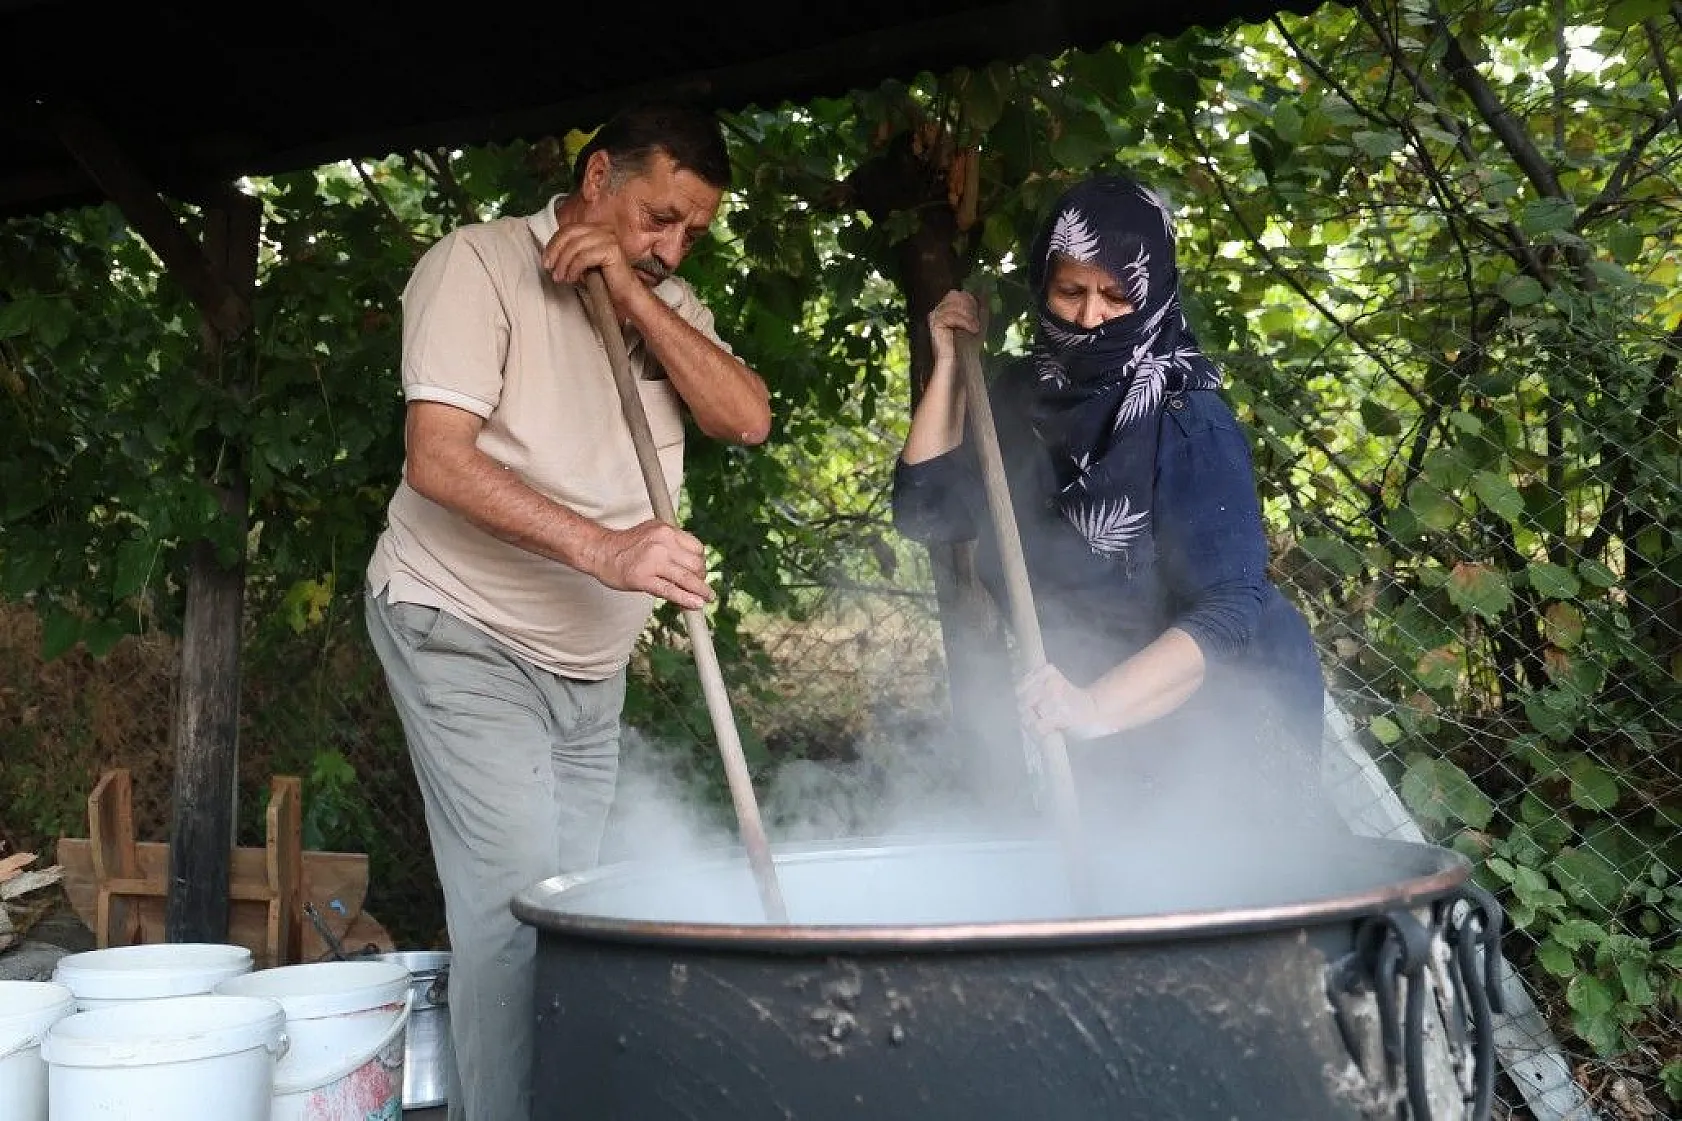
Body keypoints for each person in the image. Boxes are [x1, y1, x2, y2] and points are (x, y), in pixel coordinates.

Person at [362, 103, 770, 1121]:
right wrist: (608, 550)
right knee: (516, 915)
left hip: (588, 667)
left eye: (692, 234)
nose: (672, 247)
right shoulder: (477, 265)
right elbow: (436, 460)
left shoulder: (662, 297)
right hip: (461, 626)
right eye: (658, 217)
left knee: (573, 914)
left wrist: (630, 288)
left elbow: (746, 417)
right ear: (597, 179)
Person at [892, 173, 1331, 845]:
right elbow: (926, 510)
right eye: (1070, 291)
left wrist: (1094, 706)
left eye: (1117, 296)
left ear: (1154, 295)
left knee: (1223, 891)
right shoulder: (1017, 400)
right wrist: (950, 365)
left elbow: (1229, 610)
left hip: (1226, 715)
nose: (1089, 317)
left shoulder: (1188, 421)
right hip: (1094, 705)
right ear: (1042, 283)